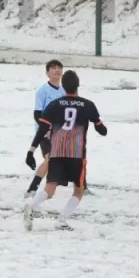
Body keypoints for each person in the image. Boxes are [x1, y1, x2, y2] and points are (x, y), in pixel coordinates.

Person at [22, 70, 106, 231]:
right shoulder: (88, 105)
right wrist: (99, 125)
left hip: (57, 152)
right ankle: (62, 220)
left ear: (64, 87)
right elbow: (102, 130)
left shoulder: (54, 105)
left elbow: (42, 129)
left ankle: (31, 205)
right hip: (76, 154)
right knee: (79, 190)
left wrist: (31, 151)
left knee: (50, 189)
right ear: (77, 85)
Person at [26, 60, 65, 198]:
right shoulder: (42, 91)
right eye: (53, 68)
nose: (57, 70)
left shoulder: (64, 91)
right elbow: (37, 114)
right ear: (47, 73)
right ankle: (32, 190)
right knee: (49, 160)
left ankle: (81, 186)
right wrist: (47, 129)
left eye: (59, 68)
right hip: (45, 133)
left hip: (59, 133)